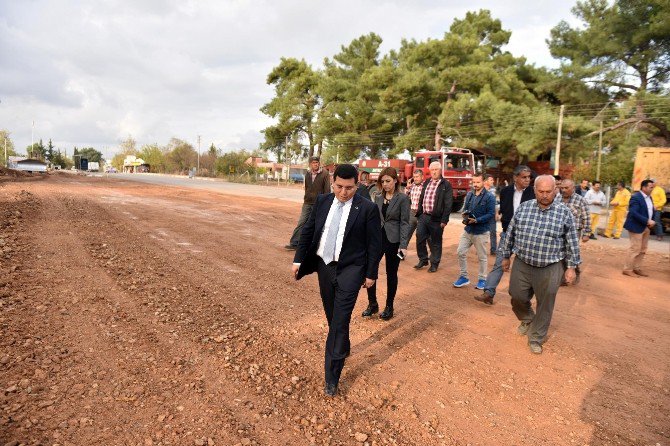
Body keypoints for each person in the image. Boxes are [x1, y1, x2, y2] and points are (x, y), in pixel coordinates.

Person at [291, 164, 382, 397]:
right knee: (333, 317)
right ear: (333, 183)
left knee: (339, 323)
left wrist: (371, 273)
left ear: (357, 185)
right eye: (339, 187)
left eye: (349, 188)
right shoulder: (322, 202)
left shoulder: (367, 209)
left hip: (351, 269)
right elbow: (309, 232)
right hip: (324, 266)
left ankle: (332, 377)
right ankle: (343, 343)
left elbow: (374, 244)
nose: (344, 192)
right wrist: (298, 260)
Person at [501, 175, 581, 354]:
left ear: (555, 191)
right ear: (535, 190)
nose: (544, 195)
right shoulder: (524, 208)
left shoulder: (564, 212)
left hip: (550, 266)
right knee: (516, 296)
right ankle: (528, 318)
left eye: (548, 191)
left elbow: (572, 242)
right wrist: (505, 256)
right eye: (541, 191)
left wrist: (571, 267)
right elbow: (510, 233)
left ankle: (536, 337)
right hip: (523, 262)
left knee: (545, 303)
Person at [474, 165, 534, 305]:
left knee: (527, 267)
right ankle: (489, 292)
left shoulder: (533, 192)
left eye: (529, 177)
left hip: (527, 237)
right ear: (515, 177)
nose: (527, 180)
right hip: (508, 234)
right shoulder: (506, 192)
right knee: (500, 263)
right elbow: (504, 210)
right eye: (524, 177)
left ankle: (524, 299)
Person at [362, 167, 410, 320]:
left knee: (391, 274)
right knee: (370, 270)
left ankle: (389, 306)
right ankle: (372, 304)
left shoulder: (403, 198)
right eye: (382, 182)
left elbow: (405, 223)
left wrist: (403, 245)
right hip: (377, 239)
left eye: (388, 181)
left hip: (394, 241)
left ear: (395, 181)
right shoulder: (377, 197)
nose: (385, 184)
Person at [453, 173, 496, 289]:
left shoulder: (490, 197)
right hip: (468, 230)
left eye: (478, 182)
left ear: (484, 182)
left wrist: (477, 220)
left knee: (482, 257)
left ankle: (482, 279)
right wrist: (465, 214)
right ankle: (464, 277)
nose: (475, 184)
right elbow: (466, 208)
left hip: (481, 231)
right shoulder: (470, 194)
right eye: (474, 182)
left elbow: (491, 214)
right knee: (460, 252)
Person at [414, 161, 453, 273]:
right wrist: (420, 213)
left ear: (440, 170)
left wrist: (444, 220)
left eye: (436, 169)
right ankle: (423, 259)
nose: (434, 172)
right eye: (432, 170)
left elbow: (448, 204)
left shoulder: (446, 184)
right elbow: (422, 197)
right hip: (424, 216)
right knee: (419, 237)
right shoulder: (426, 182)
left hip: (437, 219)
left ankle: (434, 263)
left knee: (435, 242)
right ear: (429, 171)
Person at [285, 156, 331, 250]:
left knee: (317, 225)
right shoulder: (308, 173)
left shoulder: (325, 174)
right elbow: (307, 188)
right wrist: (306, 198)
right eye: (314, 163)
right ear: (310, 164)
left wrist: (326, 203)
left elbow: (327, 190)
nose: (316, 164)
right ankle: (294, 243)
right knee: (302, 222)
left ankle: (315, 246)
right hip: (307, 202)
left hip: (318, 203)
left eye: (317, 162)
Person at [556, 179, 591, 284]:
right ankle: (562, 277)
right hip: (559, 231)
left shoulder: (581, 200)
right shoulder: (557, 198)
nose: (563, 190)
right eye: (562, 188)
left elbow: (587, 217)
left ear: (573, 188)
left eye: (566, 188)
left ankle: (575, 272)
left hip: (574, 231)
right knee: (560, 252)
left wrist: (586, 233)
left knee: (572, 252)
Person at [622, 179, 656, 277]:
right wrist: (647, 220)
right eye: (651, 187)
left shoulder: (650, 198)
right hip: (636, 226)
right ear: (644, 187)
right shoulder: (636, 197)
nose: (652, 189)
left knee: (643, 249)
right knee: (635, 248)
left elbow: (648, 210)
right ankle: (627, 269)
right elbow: (633, 212)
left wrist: (650, 221)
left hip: (646, 227)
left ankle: (636, 268)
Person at [404, 169, 424, 243]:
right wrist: (407, 187)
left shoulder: (425, 187)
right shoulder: (412, 186)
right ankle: (400, 254)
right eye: (414, 177)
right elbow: (405, 198)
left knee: (421, 236)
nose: (415, 178)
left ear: (422, 177)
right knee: (406, 235)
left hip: (422, 214)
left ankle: (433, 253)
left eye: (417, 177)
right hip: (412, 214)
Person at [483, 174, 498, 254]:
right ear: (485, 181)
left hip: (491, 214)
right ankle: (480, 249)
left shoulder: (493, 190)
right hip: (482, 214)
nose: (493, 181)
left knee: (493, 232)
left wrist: (496, 213)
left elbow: (495, 203)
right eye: (491, 180)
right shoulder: (480, 190)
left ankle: (493, 250)